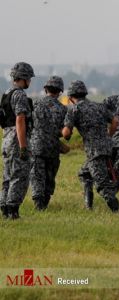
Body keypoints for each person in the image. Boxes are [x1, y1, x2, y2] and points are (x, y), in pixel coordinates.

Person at [62, 80, 119, 212]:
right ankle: (88, 206)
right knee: (84, 174)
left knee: (102, 185)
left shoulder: (74, 110)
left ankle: (118, 212)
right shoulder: (99, 106)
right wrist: (108, 136)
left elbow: (66, 133)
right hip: (107, 147)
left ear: (71, 97)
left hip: (94, 152)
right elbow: (115, 121)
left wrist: (63, 133)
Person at [0, 62, 35, 219]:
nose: (30, 82)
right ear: (24, 78)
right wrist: (23, 147)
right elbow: (20, 120)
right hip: (16, 139)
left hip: (6, 138)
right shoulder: (20, 94)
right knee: (19, 175)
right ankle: (13, 210)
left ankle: (4, 208)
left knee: (7, 176)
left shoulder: (7, 93)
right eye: (29, 78)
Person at [30, 76, 67, 210]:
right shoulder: (63, 109)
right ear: (60, 91)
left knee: (37, 175)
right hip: (53, 147)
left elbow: (28, 124)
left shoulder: (35, 104)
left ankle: (38, 204)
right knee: (49, 175)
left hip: (36, 145)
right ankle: (45, 201)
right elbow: (65, 132)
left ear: (45, 89)